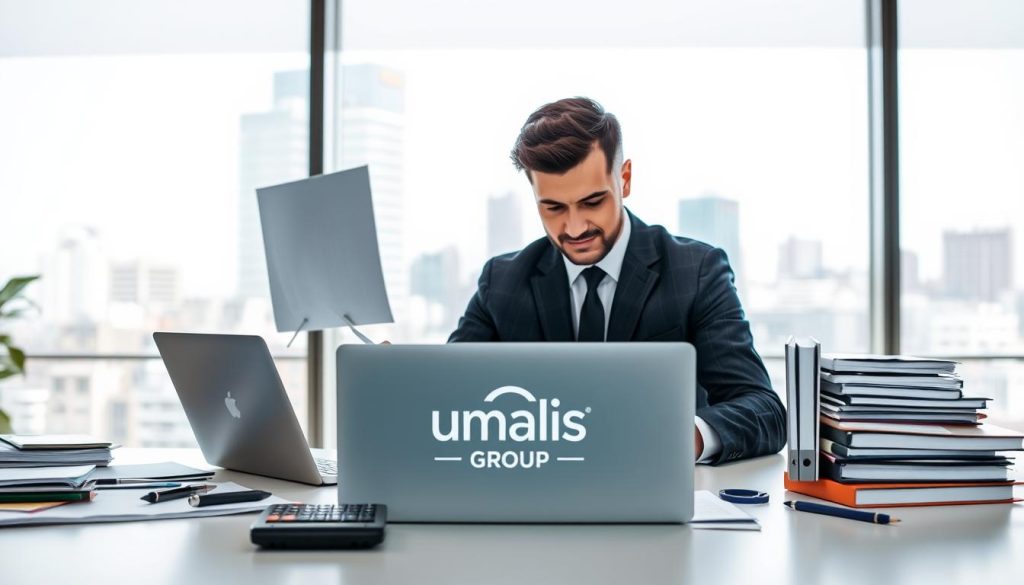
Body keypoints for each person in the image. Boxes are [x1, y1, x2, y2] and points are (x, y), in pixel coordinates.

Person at [448, 97, 785, 464]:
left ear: (623, 179)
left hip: (651, 488)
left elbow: (764, 409)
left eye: (592, 202)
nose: (574, 228)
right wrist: (399, 384)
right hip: (534, 486)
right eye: (554, 207)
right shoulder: (502, 281)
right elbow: (446, 394)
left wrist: (685, 438)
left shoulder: (696, 271)